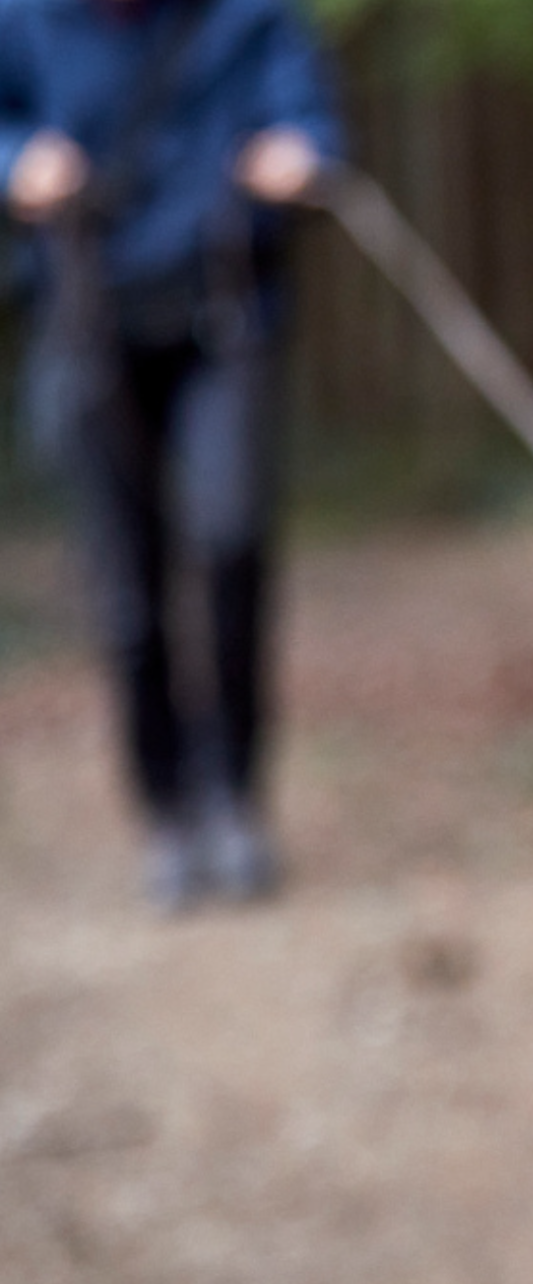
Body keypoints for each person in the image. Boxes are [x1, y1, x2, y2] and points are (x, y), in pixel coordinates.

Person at [1, 0, 345, 912]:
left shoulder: (248, 17)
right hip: (89, 324)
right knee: (127, 584)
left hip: (224, 319)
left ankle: (234, 798)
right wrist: (17, 163)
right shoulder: (24, 20)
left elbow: (311, 124)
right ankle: (167, 815)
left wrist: (297, 156)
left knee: (231, 542)